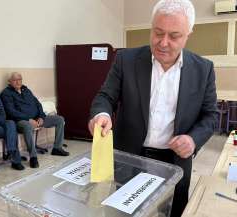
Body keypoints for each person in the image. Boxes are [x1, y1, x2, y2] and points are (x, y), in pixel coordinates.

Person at [88, 1, 218, 216]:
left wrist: (193, 140)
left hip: (174, 160)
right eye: (157, 33)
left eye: (174, 36)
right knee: (123, 209)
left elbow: (210, 116)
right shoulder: (126, 60)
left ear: (188, 35)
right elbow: (105, 96)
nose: (163, 43)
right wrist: (101, 114)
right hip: (130, 154)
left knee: (172, 210)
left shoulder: (203, 69)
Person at [0, 72, 68, 168]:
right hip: (20, 121)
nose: (18, 82)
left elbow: (38, 104)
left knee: (60, 119)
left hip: (37, 119)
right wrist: (28, 119)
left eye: (19, 79)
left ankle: (57, 148)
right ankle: (33, 157)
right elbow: (10, 111)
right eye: (14, 80)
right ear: (9, 81)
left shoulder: (26, 90)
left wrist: (41, 117)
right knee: (28, 126)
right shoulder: (6, 93)